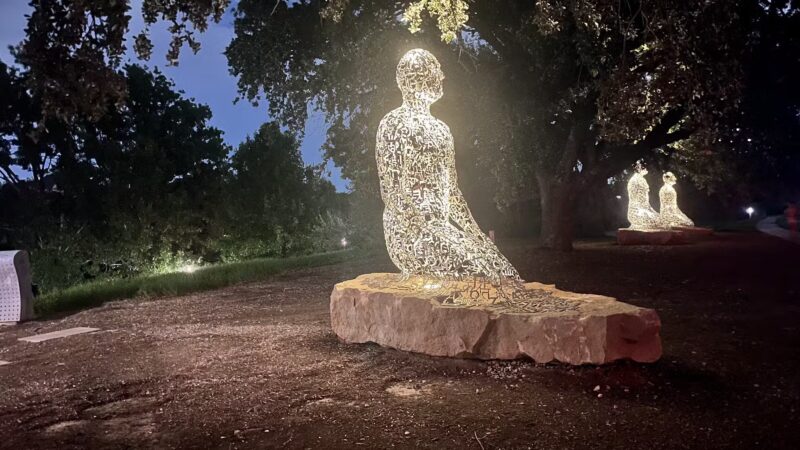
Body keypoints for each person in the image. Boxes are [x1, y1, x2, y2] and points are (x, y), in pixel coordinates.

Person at [375, 49, 519, 282]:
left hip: (442, 230)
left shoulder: (442, 130)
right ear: (415, 78)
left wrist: (477, 236)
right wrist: (427, 227)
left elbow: (452, 193)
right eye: (434, 71)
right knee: (477, 272)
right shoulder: (393, 123)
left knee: (501, 270)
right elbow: (391, 192)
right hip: (409, 233)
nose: (441, 77)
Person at [626, 163, 661, 230]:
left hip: (642, 209)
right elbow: (639, 199)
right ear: (639, 169)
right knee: (659, 221)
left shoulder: (640, 179)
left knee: (660, 220)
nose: (647, 169)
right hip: (637, 212)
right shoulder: (637, 180)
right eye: (644, 167)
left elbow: (645, 201)